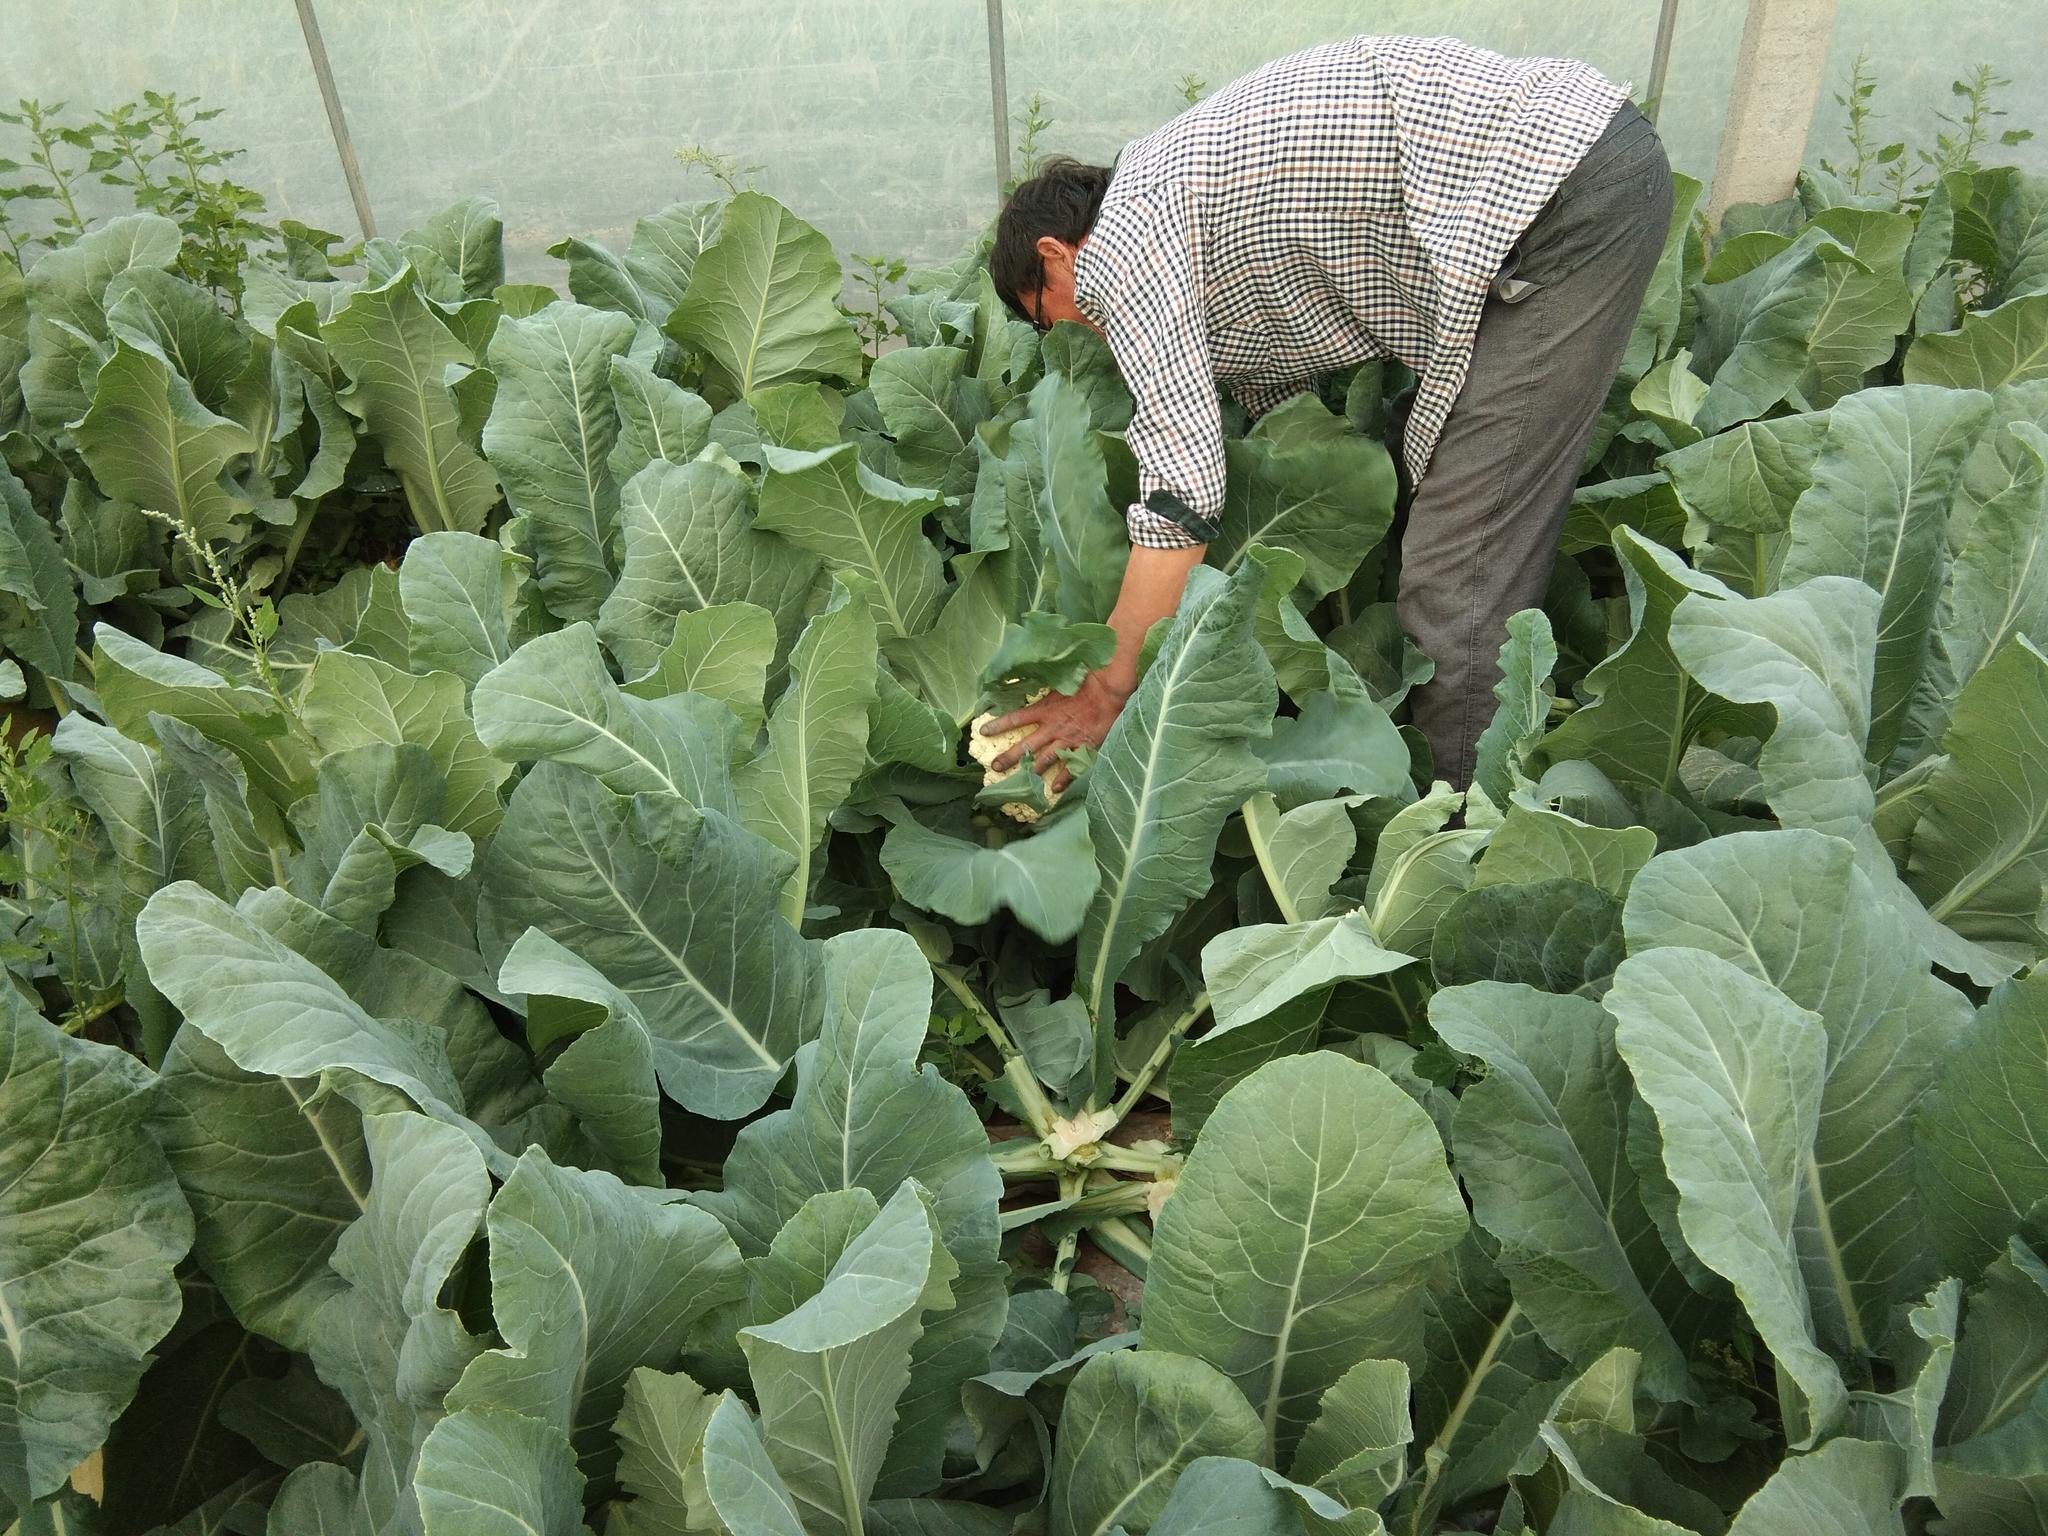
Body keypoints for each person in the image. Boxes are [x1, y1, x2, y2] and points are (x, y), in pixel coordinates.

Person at [981, 33, 1672, 791]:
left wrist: (1107, 689)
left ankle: (1462, 833)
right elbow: (1281, 390)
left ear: (1054, 254)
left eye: (1047, 316)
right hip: (1566, 165)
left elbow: (1184, 487)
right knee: (1425, 453)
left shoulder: (1125, 243)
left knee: (1461, 564)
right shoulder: (1175, 190)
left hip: (1558, 193)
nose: (1075, 329)